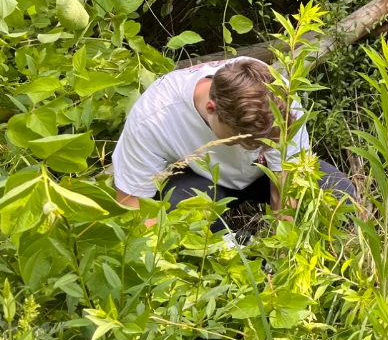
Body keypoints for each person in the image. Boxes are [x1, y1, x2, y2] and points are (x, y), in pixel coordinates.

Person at [113, 57, 357, 237]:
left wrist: (284, 250)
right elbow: (133, 204)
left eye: (265, 143)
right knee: (177, 213)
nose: (258, 150)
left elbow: (285, 187)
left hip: (265, 174)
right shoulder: (154, 116)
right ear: (212, 109)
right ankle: (230, 251)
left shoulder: (276, 94)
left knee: (341, 196)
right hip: (203, 177)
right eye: (246, 142)